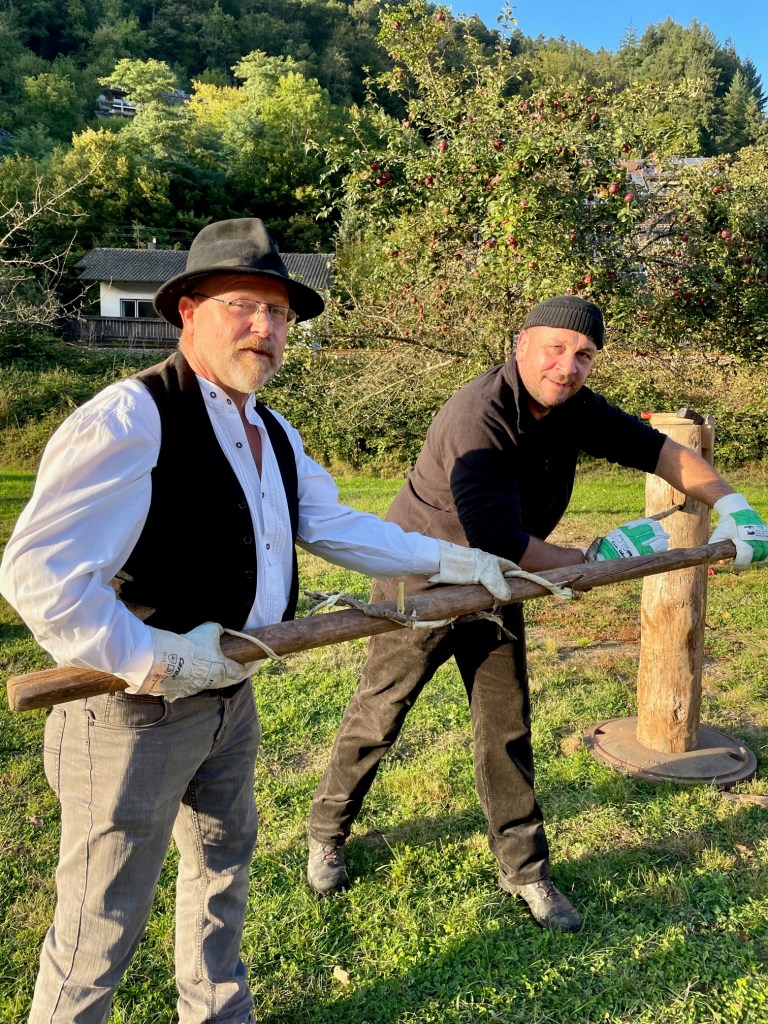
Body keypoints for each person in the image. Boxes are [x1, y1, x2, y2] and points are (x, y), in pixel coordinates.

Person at [0, 218, 517, 1024]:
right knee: (100, 920)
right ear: (188, 311)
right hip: (129, 716)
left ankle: (218, 1013)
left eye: (279, 313)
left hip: (229, 700)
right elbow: (40, 575)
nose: (266, 328)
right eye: (243, 305)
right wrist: (158, 659)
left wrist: (457, 559)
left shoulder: (271, 429)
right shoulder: (131, 417)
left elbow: (336, 525)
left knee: (220, 871)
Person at [306, 294, 768, 932]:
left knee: (506, 725)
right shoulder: (481, 415)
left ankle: (525, 870)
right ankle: (326, 832)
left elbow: (660, 451)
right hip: (421, 583)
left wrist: (735, 504)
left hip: (502, 586)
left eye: (584, 355)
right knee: (380, 712)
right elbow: (497, 537)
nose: (568, 366)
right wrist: (584, 562)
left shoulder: (574, 407)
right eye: (555, 348)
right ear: (522, 345)